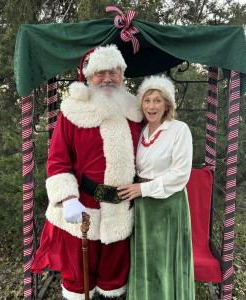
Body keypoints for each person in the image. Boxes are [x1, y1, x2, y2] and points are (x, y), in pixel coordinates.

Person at [31, 44, 143, 300]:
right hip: (84, 207)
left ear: (121, 75)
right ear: (89, 77)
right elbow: (58, 159)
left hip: (123, 207)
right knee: (79, 277)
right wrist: (68, 199)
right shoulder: (72, 111)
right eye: (99, 73)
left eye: (113, 73)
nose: (107, 79)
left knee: (114, 277)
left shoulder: (136, 110)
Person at [118, 75, 195, 300]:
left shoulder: (179, 130)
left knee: (164, 262)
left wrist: (143, 190)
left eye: (157, 100)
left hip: (168, 206)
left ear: (167, 104)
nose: (151, 105)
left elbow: (180, 175)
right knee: (144, 260)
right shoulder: (141, 132)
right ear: (141, 104)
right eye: (147, 100)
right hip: (142, 207)